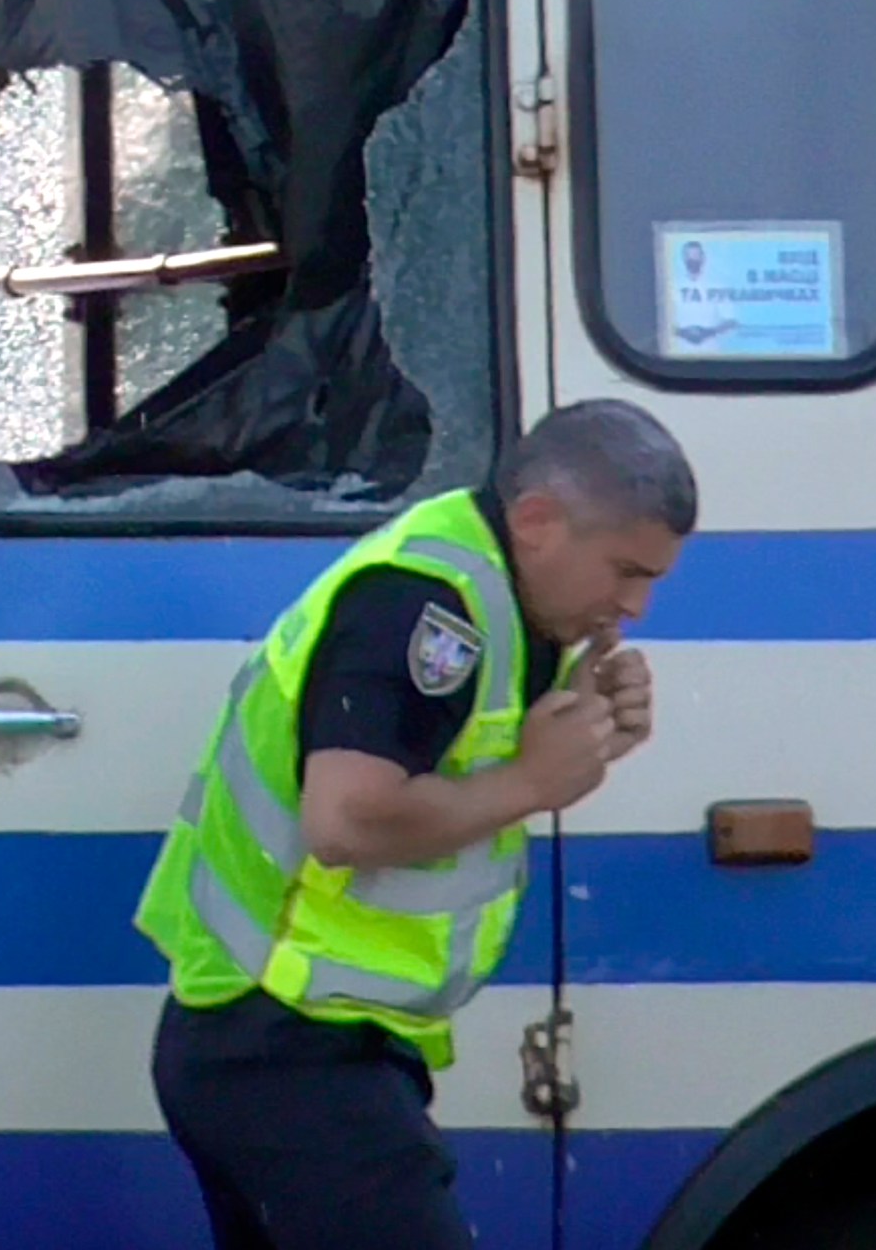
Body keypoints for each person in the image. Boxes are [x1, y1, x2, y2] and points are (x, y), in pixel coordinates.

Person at [132, 398, 699, 1250]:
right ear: (538, 521)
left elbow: (453, 766)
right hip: (284, 1041)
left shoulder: (497, 594)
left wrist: (578, 726)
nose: (637, 606)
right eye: (626, 571)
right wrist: (533, 780)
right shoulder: (426, 603)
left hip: (290, 1040)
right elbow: (347, 820)